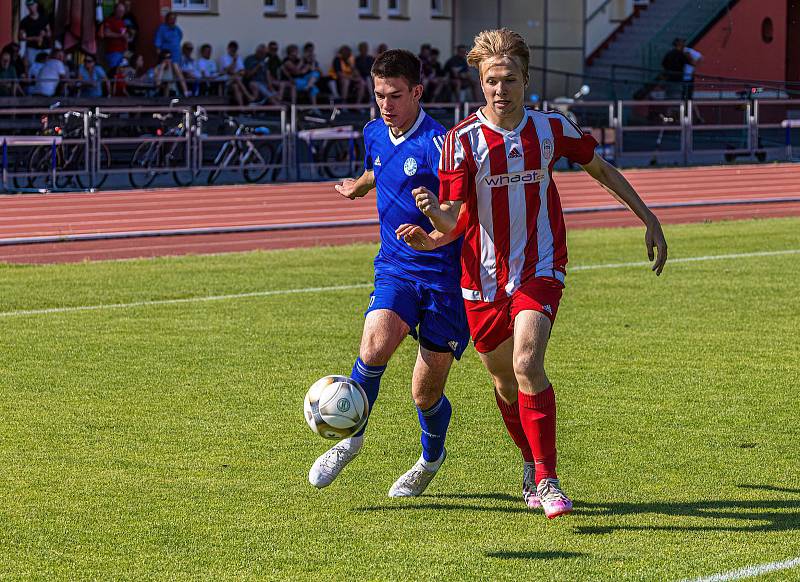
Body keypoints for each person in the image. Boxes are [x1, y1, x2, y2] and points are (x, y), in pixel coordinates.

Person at [398, 28, 668, 518]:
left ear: (526, 81)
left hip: (540, 267)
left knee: (527, 364)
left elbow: (601, 169)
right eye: (492, 81)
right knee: (505, 383)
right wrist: (432, 222)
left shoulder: (551, 127)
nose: (501, 89)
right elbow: (456, 218)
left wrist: (648, 217)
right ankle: (529, 462)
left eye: (510, 79)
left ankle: (548, 480)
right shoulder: (460, 141)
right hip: (480, 279)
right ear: (481, 84)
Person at [309, 49, 469, 497]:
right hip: (396, 267)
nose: (385, 104)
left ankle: (430, 458)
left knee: (425, 393)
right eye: (379, 95)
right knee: (374, 345)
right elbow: (376, 169)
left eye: (395, 95)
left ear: (417, 92)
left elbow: (463, 215)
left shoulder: (444, 144)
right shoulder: (374, 132)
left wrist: (433, 231)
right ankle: (350, 438)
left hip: (443, 278)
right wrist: (357, 187)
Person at [219, 40, 253, 105]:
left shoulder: (239, 58)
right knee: (236, 78)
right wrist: (234, 61)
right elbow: (228, 71)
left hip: (237, 82)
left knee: (236, 87)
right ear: (228, 49)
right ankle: (248, 96)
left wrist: (236, 73)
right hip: (226, 81)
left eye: (235, 50)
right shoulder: (223, 58)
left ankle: (241, 109)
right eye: (232, 50)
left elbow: (242, 71)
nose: (233, 52)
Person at [19, 0, 51, 66]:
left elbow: (49, 33)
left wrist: (45, 34)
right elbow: (21, 37)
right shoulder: (24, 21)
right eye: (29, 5)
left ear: (36, 5)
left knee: (46, 67)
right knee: (32, 68)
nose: (31, 7)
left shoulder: (44, 18)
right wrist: (33, 38)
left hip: (45, 48)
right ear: (27, 7)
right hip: (32, 49)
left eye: (32, 5)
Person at [102, 2, 128, 70]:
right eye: (119, 10)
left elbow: (124, 36)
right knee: (114, 72)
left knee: (125, 71)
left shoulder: (122, 22)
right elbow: (107, 33)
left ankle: (131, 80)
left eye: (123, 11)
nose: (121, 12)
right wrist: (120, 35)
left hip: (123, 52)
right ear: (115, 10)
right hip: (113, 52)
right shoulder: (109, 20)